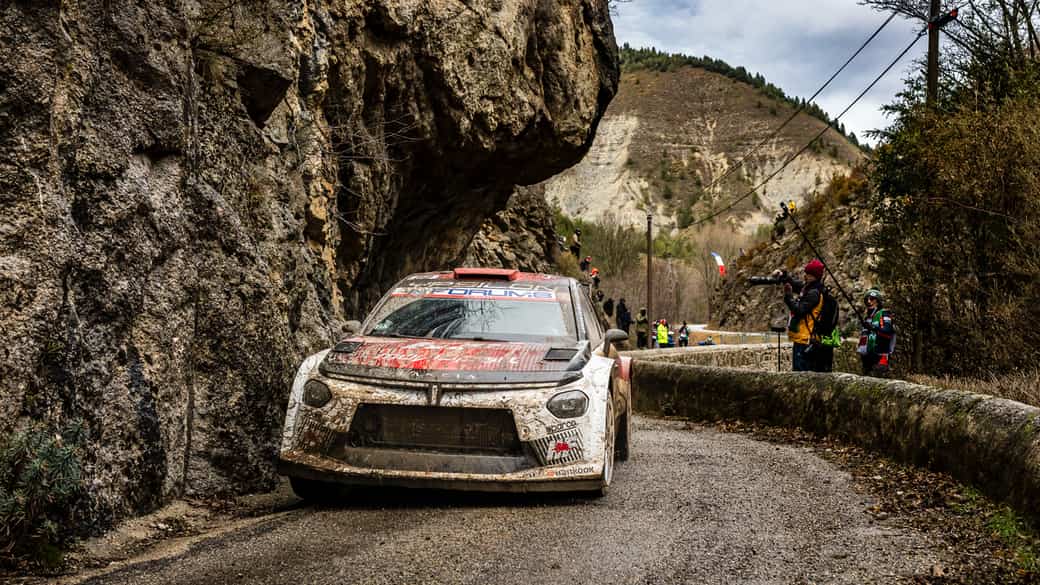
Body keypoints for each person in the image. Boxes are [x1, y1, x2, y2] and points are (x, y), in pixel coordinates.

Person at [782, 258, 832, 372]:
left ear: (814, 276)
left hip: (805, 340)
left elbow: (799, 310)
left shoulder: (814, 293)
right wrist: (785, 277)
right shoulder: (811, 288)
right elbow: (796, 285)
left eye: (808, 274)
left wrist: (789, 296)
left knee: (801, 374)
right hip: (803, 339)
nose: (805, 276)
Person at [858, 289, 896, 376]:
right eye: (866, 300)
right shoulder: (867, 318)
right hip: (867, 357)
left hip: (880, 356)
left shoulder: (884, 313)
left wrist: (873, 327)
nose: (869, 302)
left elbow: (887, 330)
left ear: (878, 301)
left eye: (872, 299)